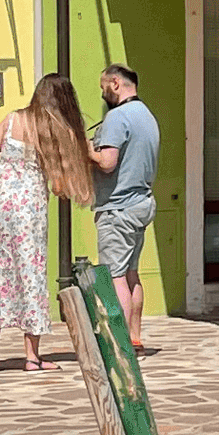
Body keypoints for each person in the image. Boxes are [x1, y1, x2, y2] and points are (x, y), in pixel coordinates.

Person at [0, 73, 94, 371]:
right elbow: (60, 184)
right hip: (28, 208)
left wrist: (9, 170)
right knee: (30, 272)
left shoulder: (12, 119)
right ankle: (32, 357)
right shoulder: (54, 129)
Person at [89, 63, 162, 353]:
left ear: (115, 83)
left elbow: (107, 162)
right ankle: (135, 337)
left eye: (103, 86)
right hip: (141, 203)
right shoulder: (146, 115)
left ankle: (121, 346)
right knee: (132, 274)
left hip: (118, 208)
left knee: (115, 275)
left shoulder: (117, 117)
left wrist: (85, 148)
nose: (102, 93)